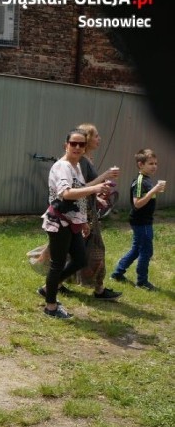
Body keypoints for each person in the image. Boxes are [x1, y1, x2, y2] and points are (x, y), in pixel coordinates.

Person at [39, 129, 114, 319]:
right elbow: (66, 193)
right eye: (74, 143)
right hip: (59, 222)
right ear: (66, 145)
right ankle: (51, 306)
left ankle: (48, 288)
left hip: (73, 222)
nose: (78, 147)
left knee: (80, 259)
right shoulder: (62, 166)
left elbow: (79, 192)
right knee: (57, 264)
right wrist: (95, 188)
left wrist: (83, 220)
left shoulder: (77, 167)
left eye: (82, 144)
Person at [72, 123, 121, 300]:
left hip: (88, 210)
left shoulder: (88, 160)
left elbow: (88, 189)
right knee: (95, 249)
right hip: (83, 213)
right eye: (96, 136)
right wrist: (104, 176)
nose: (99, 139)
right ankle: (98, 289)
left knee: (76, 249)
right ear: (87, 138)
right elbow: (80, 188)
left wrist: (98, 196)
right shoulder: (82, 161)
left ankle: (56, 284)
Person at [111, 148, 164, 290]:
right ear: (141, 165)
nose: (154, 166)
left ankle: (117, 273)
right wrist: (153, 191)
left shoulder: (147, 180)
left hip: (144, 221)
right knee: (146, 251)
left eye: (155, 163)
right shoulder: (140, 181)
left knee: (136, 249)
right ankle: (142, 282)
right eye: (151, 163)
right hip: (142, 222)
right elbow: (137, 203)